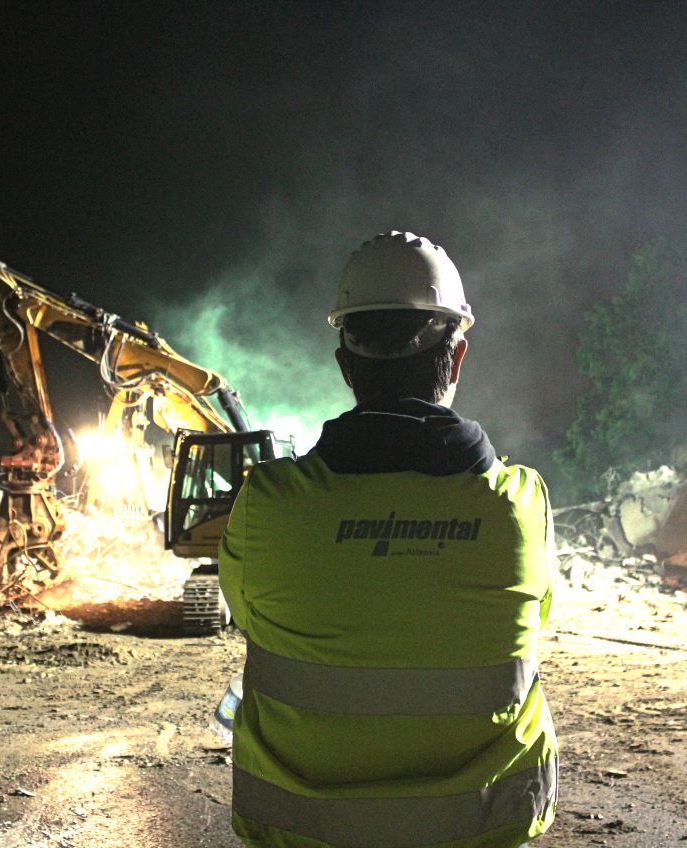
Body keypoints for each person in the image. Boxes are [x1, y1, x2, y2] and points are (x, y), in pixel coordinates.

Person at [218, 230, 558, 848]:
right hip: (479, 830)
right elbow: (535, 619)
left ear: (346, 364)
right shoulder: (521, 506)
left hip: (306, 834)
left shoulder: (266, 507)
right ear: (455, 359)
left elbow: (248, 614)